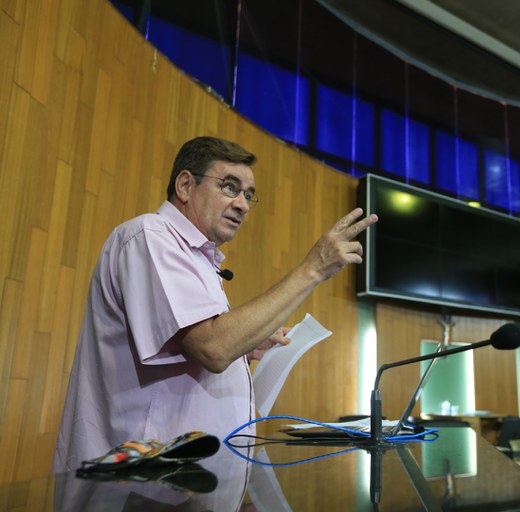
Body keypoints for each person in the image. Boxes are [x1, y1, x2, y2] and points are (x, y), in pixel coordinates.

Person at [53, 136, 378, 472]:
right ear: (185, 185)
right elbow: (212, 348)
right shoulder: (151, 237)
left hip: (181, 475)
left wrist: (247, 347)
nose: (243, 204)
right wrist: (312, 269)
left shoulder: (199, 258)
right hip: (136, 477)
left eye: (248, 194)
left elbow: (198, 344)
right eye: (230, 187)